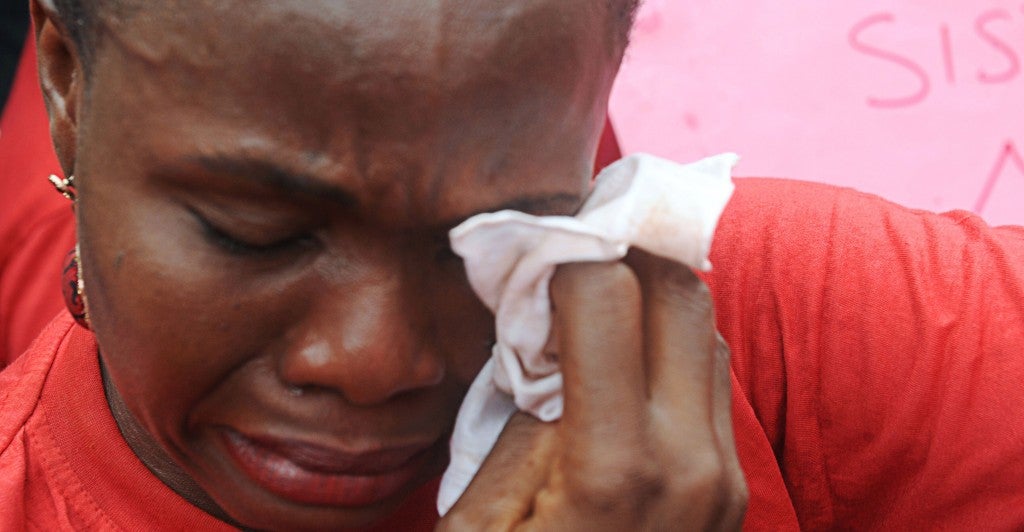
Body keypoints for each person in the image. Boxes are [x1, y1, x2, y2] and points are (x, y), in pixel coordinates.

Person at [1, 1, 1022, 531]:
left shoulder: (776, 328)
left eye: (488, 238)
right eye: (254, 231)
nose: (372, 358)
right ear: (65, 81)